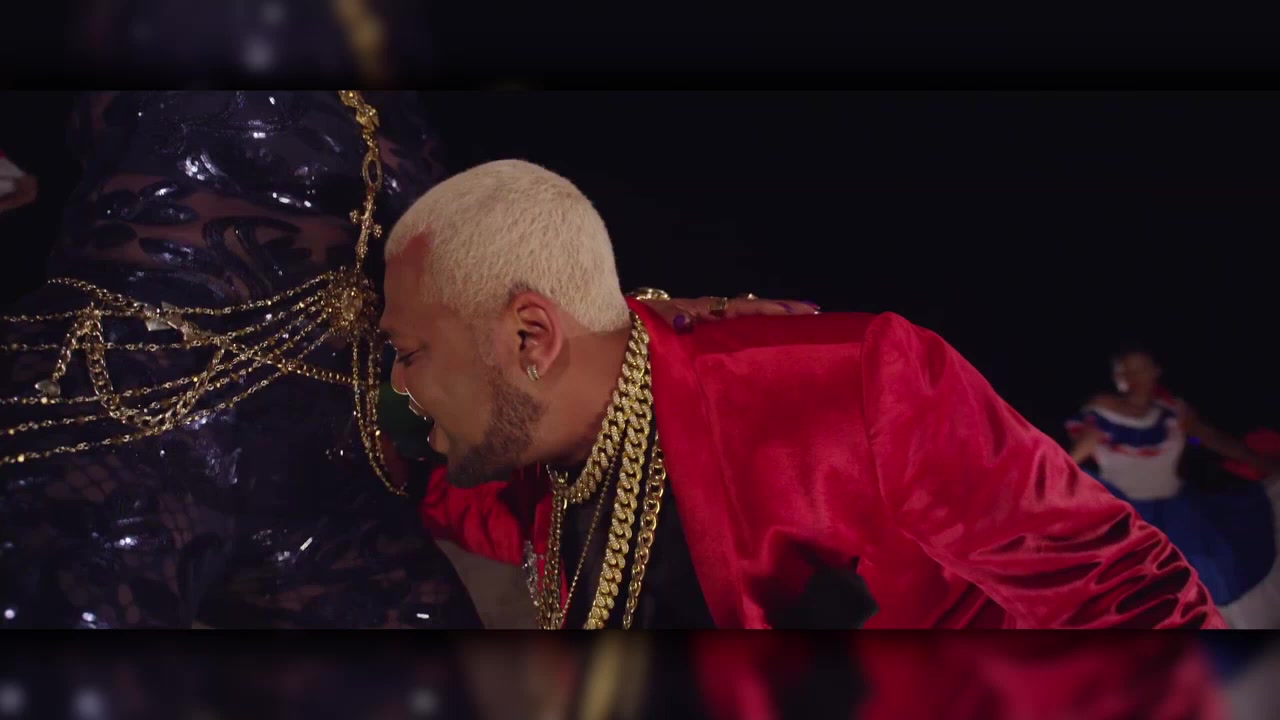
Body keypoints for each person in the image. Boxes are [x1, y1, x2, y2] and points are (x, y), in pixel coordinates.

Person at [379, 158, 1225, 630]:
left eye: (409, 353)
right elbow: (467, 505)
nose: (396, 383)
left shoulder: (851, 383)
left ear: (530, 338)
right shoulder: (545, 473)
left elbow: (1126, 598)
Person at [1067, 345, 1280, 628]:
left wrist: (1262, 462)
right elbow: (1069, 460)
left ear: (1156, 371)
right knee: (1134, 594)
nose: (1132, 378)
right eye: (1124, 371)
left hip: (1177, 516)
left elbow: (1213, 439)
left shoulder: (1174, 413)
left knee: (1208, 577)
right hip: (1125, 519)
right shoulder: (1102, 411)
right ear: (1115, 377)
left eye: (1140, 369)